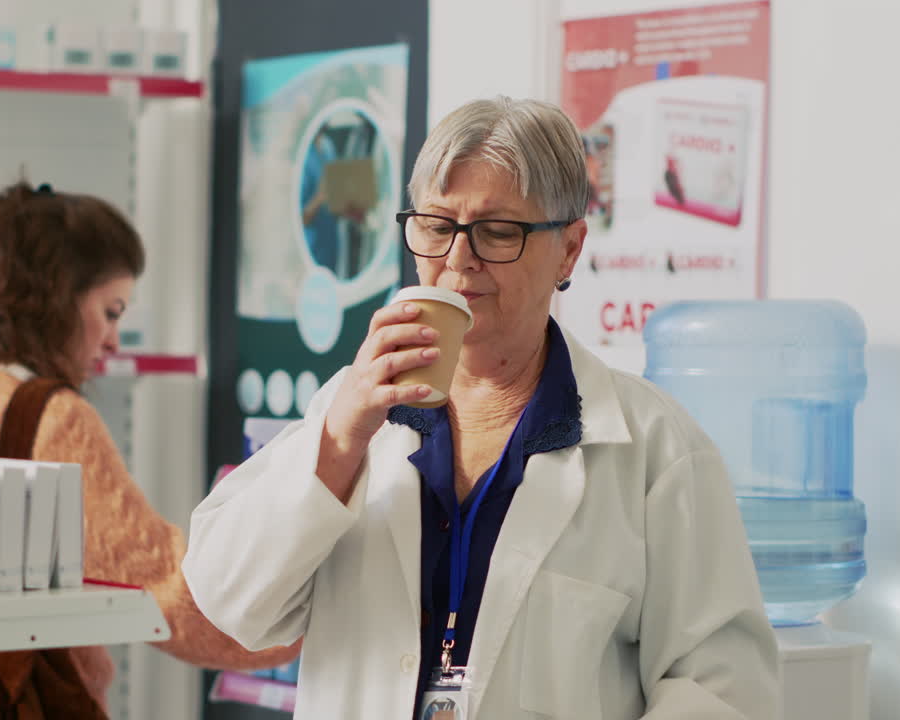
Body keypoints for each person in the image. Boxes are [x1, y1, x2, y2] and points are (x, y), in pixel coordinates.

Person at [183, 98, 779, 719]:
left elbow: (722, 687)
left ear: (569, 249)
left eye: (498, 232)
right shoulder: (353, 411)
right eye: (437, 227)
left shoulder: (656, 449)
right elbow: (232, 604)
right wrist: (338, 441)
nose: (459, 260)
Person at [0, 181, 297, 717]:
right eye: (110, 311)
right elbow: (167, 590)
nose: (113, 339)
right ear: (56, 301)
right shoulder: (53, 418)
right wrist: (301, 625)